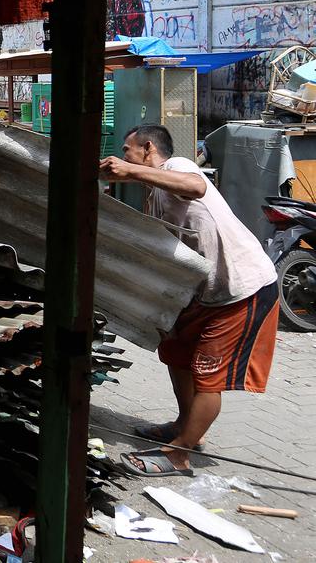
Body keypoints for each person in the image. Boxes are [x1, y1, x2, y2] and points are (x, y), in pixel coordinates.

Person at [100, 124, 279, 476]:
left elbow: (196, 188)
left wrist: (132, 172)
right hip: (205, 293)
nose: (124, 157)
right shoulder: (155, 192)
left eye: (128, 150)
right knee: (176, 353)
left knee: (208, 374)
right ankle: (186, 428)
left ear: (148, 149)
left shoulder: (178, 166)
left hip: (241, 289)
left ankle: (178, 454)